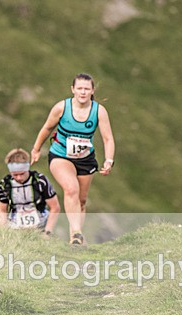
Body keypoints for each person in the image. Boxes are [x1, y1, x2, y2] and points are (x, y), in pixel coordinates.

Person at [30, 73, 115, 245]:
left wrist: (108, 160)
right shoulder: (62, 107)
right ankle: (77, 232)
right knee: (71, 189)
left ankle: (74, 241)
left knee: (81, 201)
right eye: (79, 89)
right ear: (73, 90)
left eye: (86, 89)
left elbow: (108, 138)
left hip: (86, 159)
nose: (83, 92)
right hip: (61, 155)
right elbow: (47, 128)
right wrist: (36, 149)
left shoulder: (99, 111)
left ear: (92, 91)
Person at [0, 148, 60, 233]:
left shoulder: (40, 181)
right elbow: (2, 211)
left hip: (42, 224)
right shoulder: (5, 184)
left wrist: (47, 232)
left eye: (22, 173)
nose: (19, 178)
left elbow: (55, 207)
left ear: (27, 168)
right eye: (15, 175)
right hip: (15, 227)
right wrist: (3, 232)